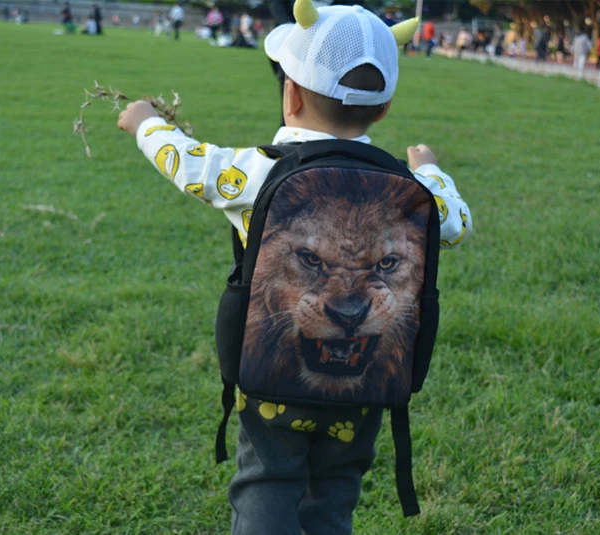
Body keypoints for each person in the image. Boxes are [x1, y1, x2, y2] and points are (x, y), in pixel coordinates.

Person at [115, 3, 472, 533]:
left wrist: (145, 123)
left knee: (266, 484)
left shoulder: (258, 170)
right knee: (334, 495)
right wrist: (430, 168)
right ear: (385, 107)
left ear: (292, 93)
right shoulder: (411, 190)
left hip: (271, 378)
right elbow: (456, 222)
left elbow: (186, 161)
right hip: (365, 385)